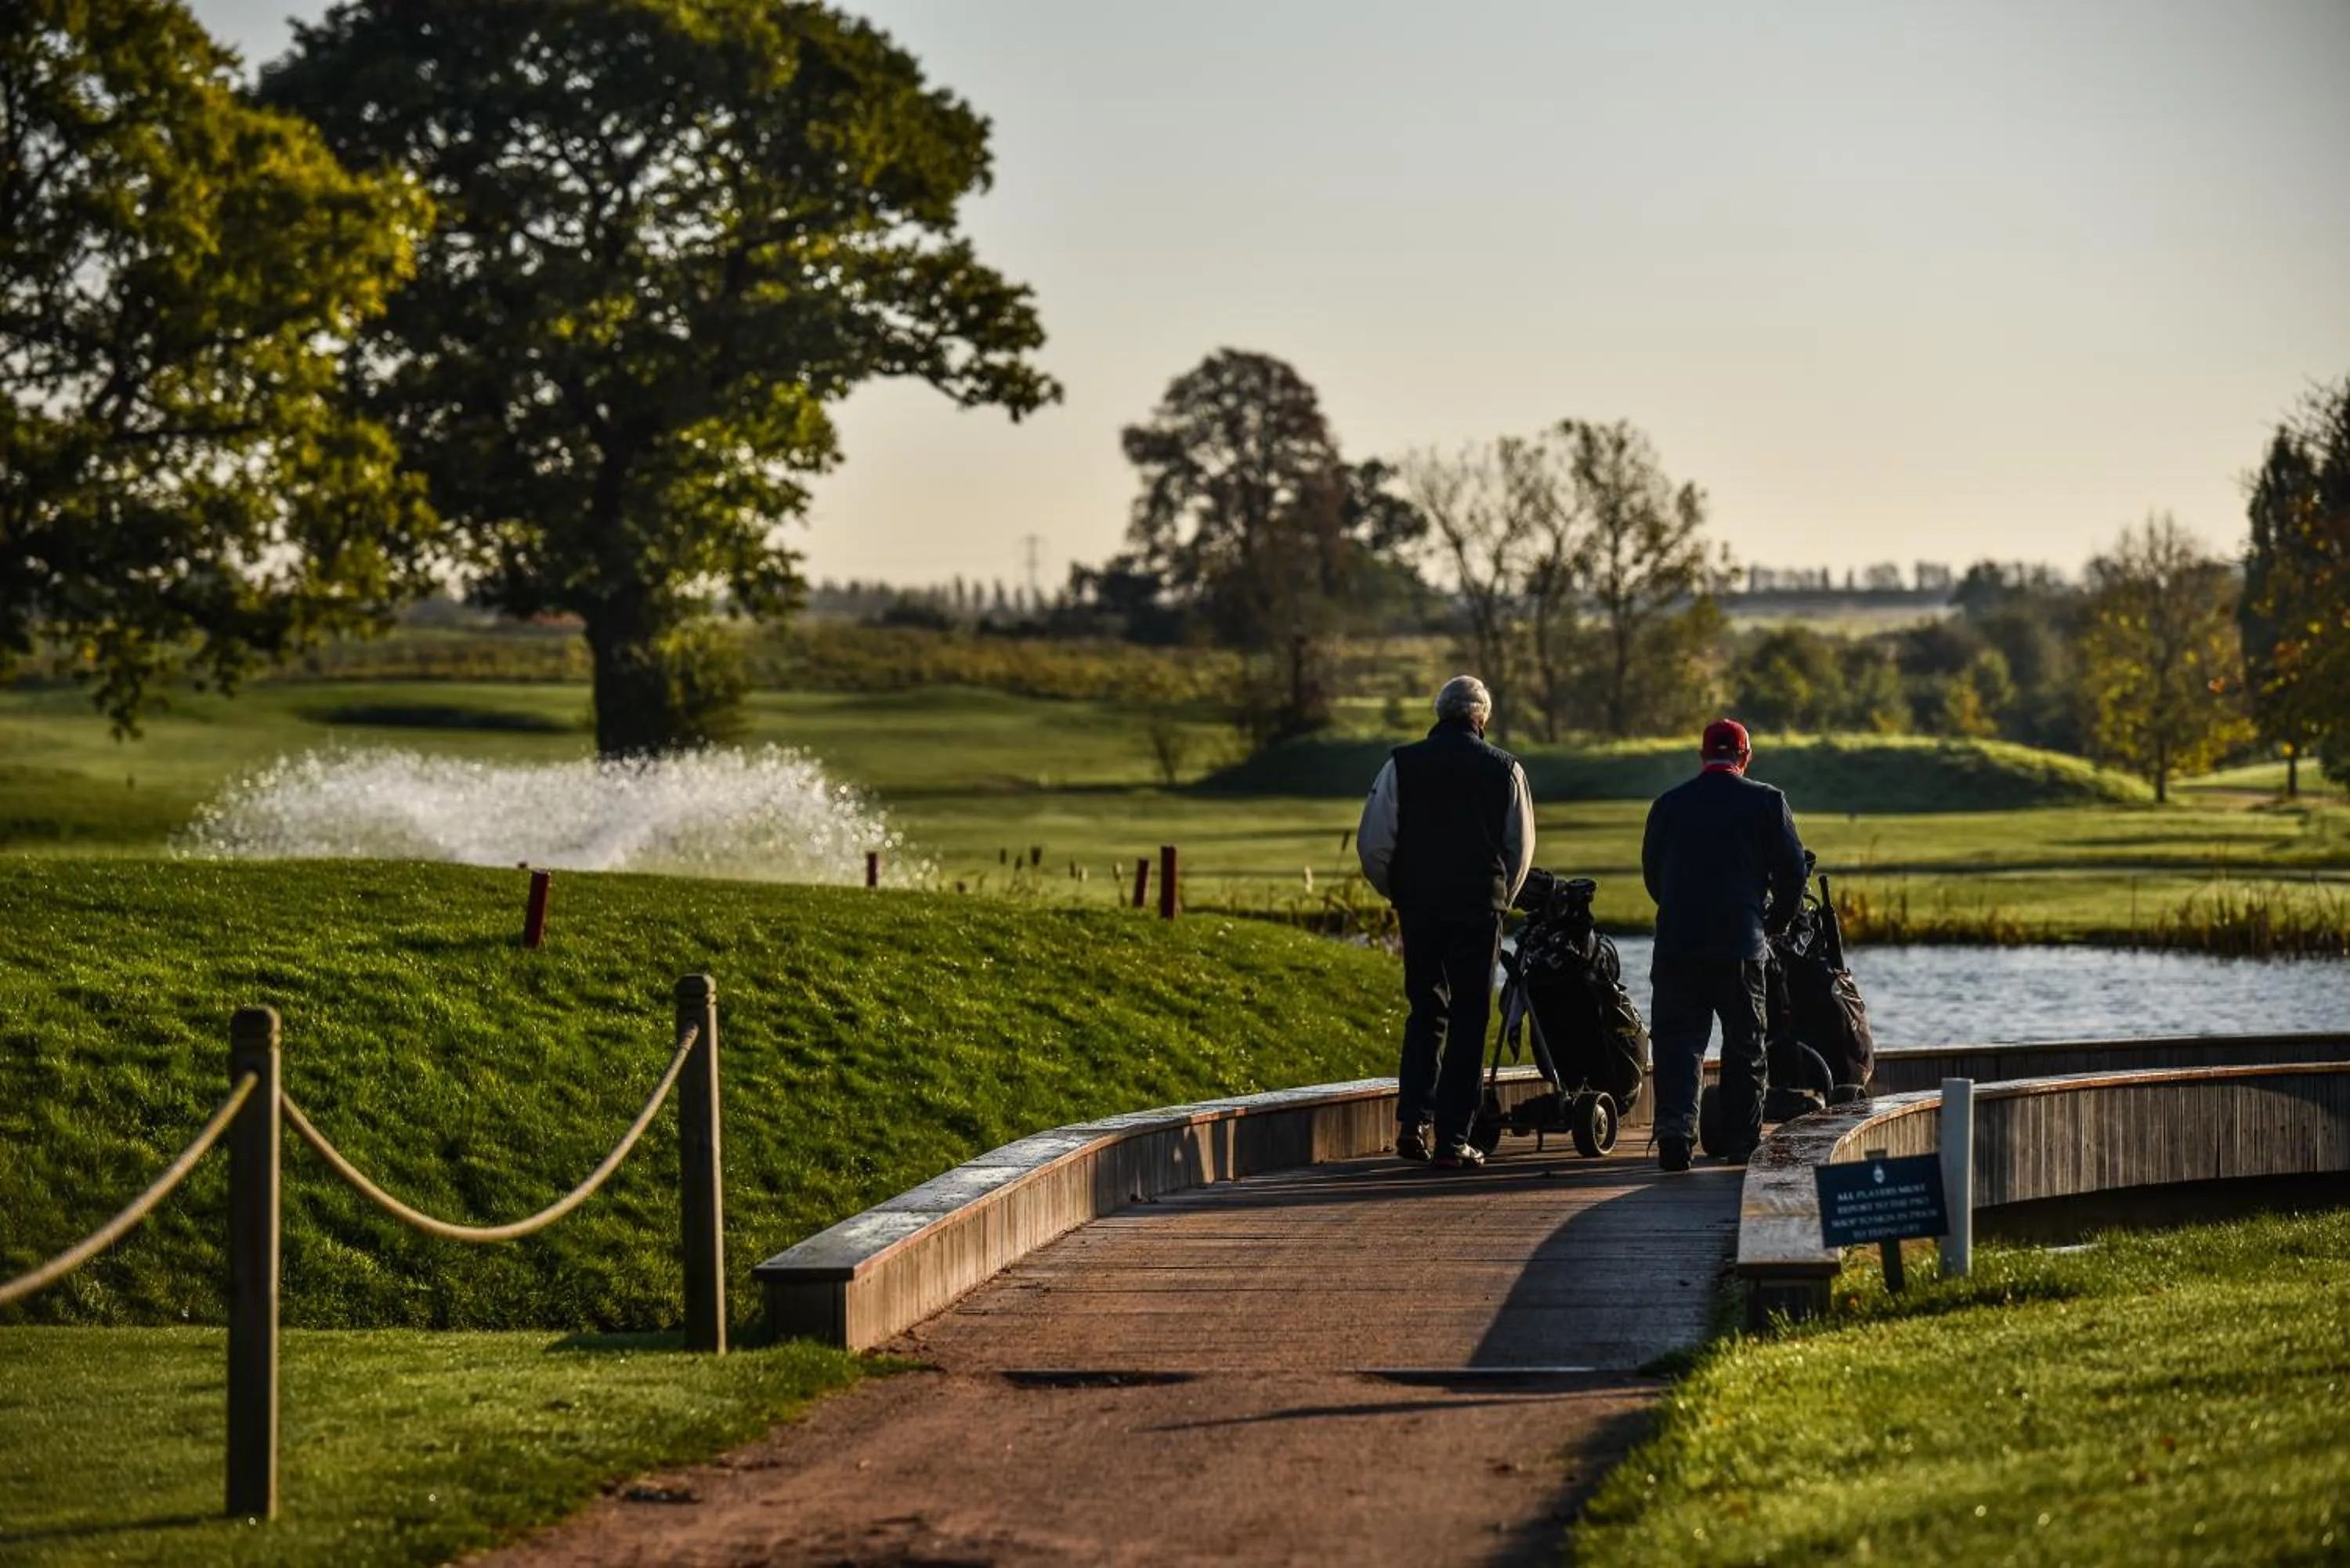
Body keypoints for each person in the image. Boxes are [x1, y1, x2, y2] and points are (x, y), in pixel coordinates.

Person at [1355, 675, 1537, 1169]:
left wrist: (1399, 893)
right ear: (1482, 717)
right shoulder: (1505, 769)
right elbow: (1519, 851)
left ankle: (1413, 1121)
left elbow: (1374, 844)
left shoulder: (1401, 765)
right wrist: (1502, 898)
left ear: (1440, 713)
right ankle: (1454, 1137)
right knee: (1470, 1017)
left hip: (1421, 907)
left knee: (1425, 1010)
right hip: (1479, 908)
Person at [1640, 718, 1807, 1172]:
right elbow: (1794, 873)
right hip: (1741, 943)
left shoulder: (1668, 805)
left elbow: (1654, 877)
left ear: (1702, 756)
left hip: (1678, 944)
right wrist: (1774, 921)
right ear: (1745, 756)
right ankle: (1741, 1140)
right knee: (1745, 1044)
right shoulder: (1767, 802)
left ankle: (1675, 1132)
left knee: (1677, 1043)